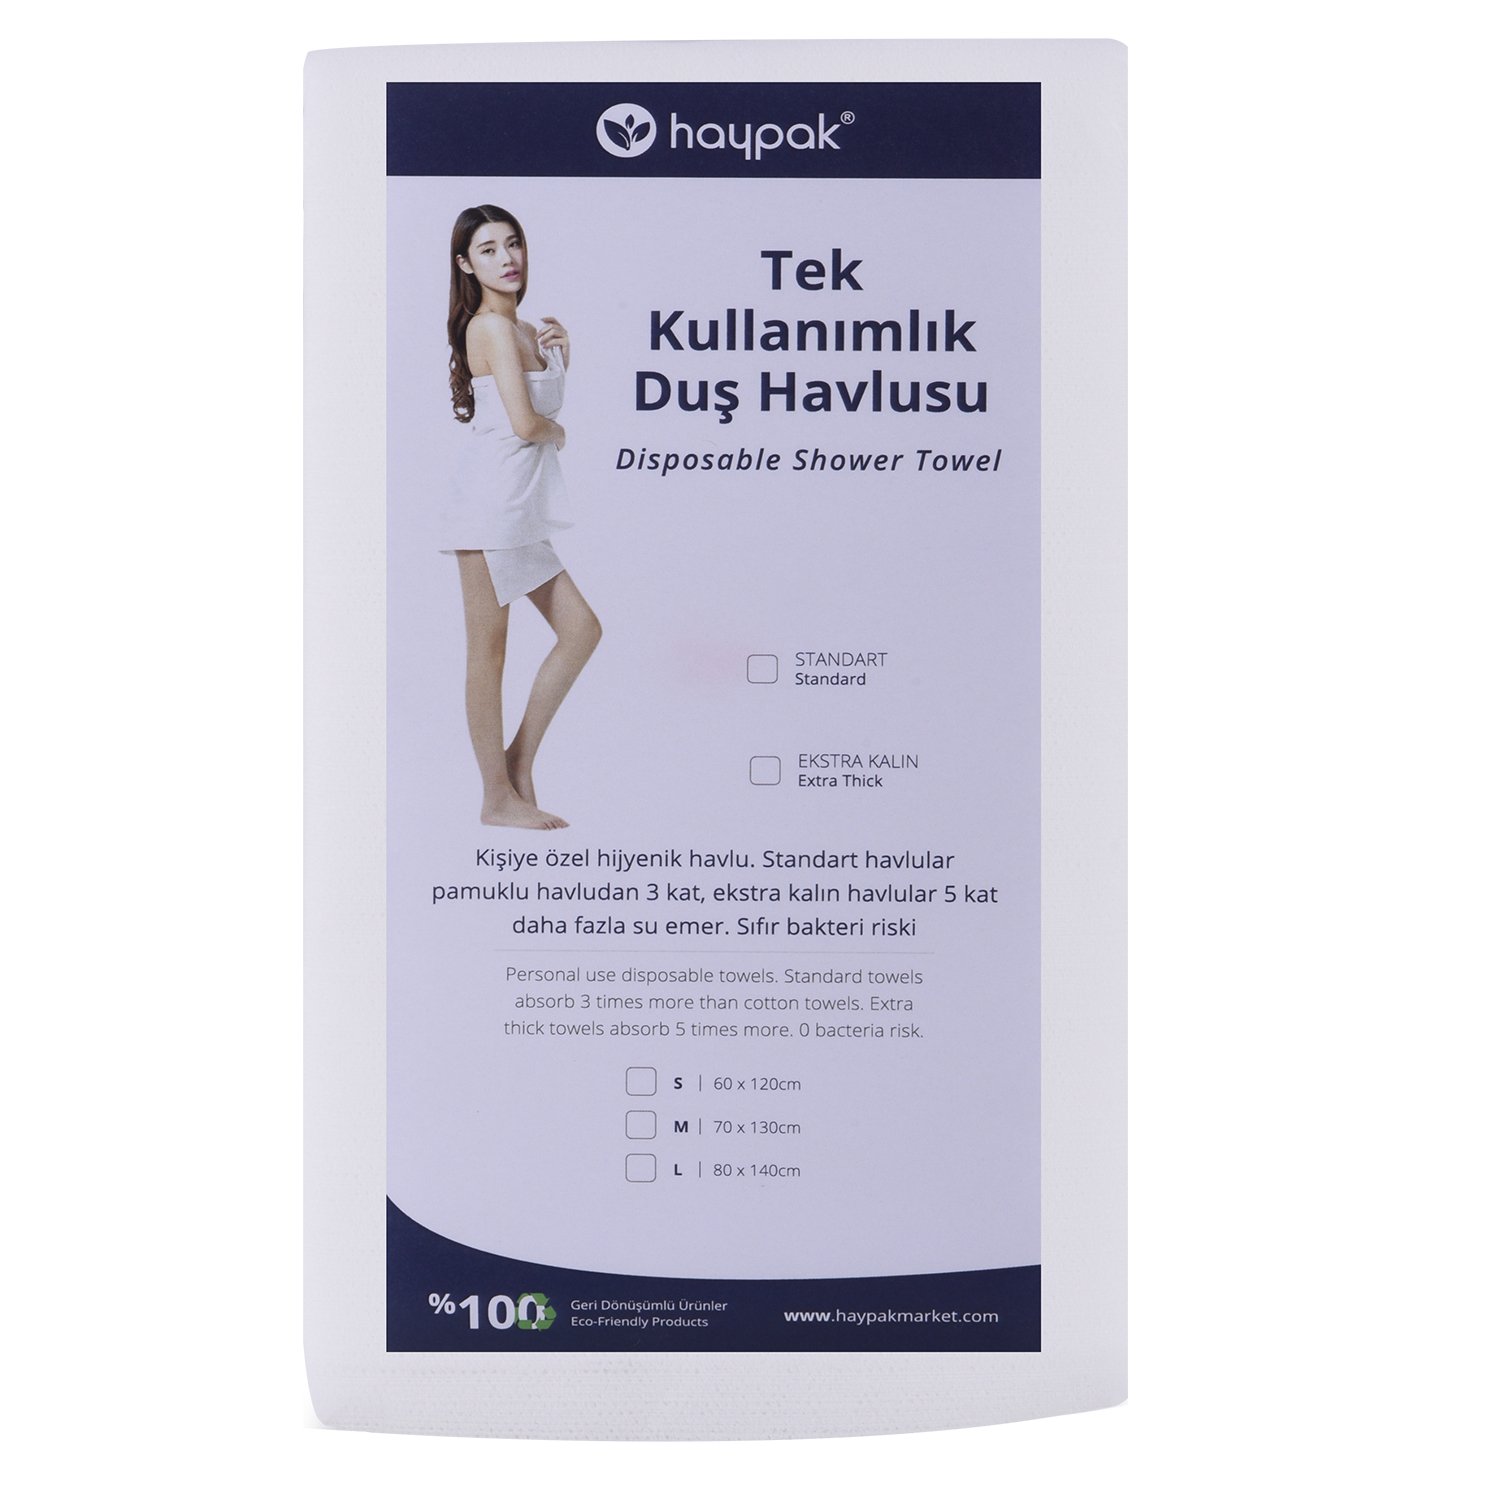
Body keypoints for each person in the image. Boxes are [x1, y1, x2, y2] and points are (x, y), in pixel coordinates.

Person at [441, 205, 601, 829]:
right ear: (465, 264)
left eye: (513, 244)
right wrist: (559, 433)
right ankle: (496, 798)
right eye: (488, 250)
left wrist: (564, 360)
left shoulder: (528, 330)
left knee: (581, 630)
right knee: (488, 651)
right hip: (489, 507)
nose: (507, 258)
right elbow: (528, 424)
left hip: (518, 509)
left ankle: (518, 762)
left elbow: (532, 406)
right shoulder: (488, 328)